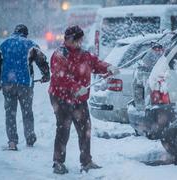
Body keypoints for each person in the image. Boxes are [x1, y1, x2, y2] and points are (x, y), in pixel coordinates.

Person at [48, 25, 119, 174]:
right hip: (61, 97)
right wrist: (75, 87)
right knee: (63, 128)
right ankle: (58, 162)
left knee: (85, 128)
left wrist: (108, 68)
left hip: (79, 98)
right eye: (77, 40)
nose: (79, 43)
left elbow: (96, 64)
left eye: (81, 40)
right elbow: (60, 77)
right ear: (69, 39)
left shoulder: (84, 54)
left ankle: (86, 161)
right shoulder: (60, 54)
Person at [0, 24, 50, 151]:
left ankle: (12, 142)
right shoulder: (30, 44)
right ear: (25, 33)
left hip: (7, 84)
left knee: (10, 113)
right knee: (27, 112)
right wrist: (46, 75)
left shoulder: (4, 44)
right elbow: (41, 60)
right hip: (25, 84)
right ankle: (29, 139)